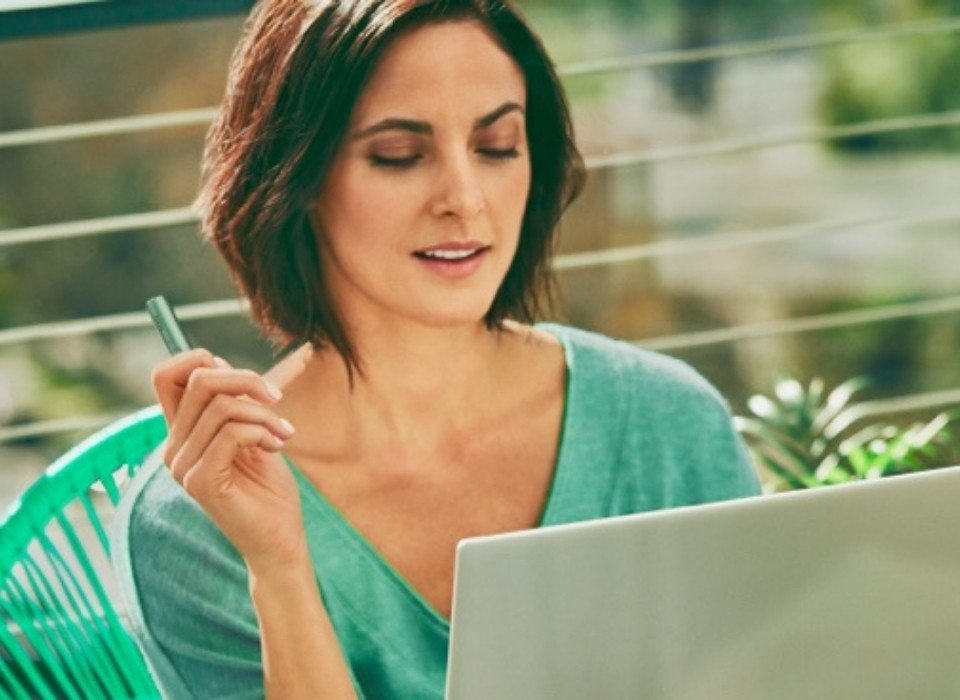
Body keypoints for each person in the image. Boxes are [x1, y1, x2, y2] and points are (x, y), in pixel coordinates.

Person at [111, 0, 761, 697]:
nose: (466, 198)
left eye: (497, 147)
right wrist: (281, 574)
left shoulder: (672, 426)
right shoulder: (199, 522)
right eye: (400, 155)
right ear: (297, 182)